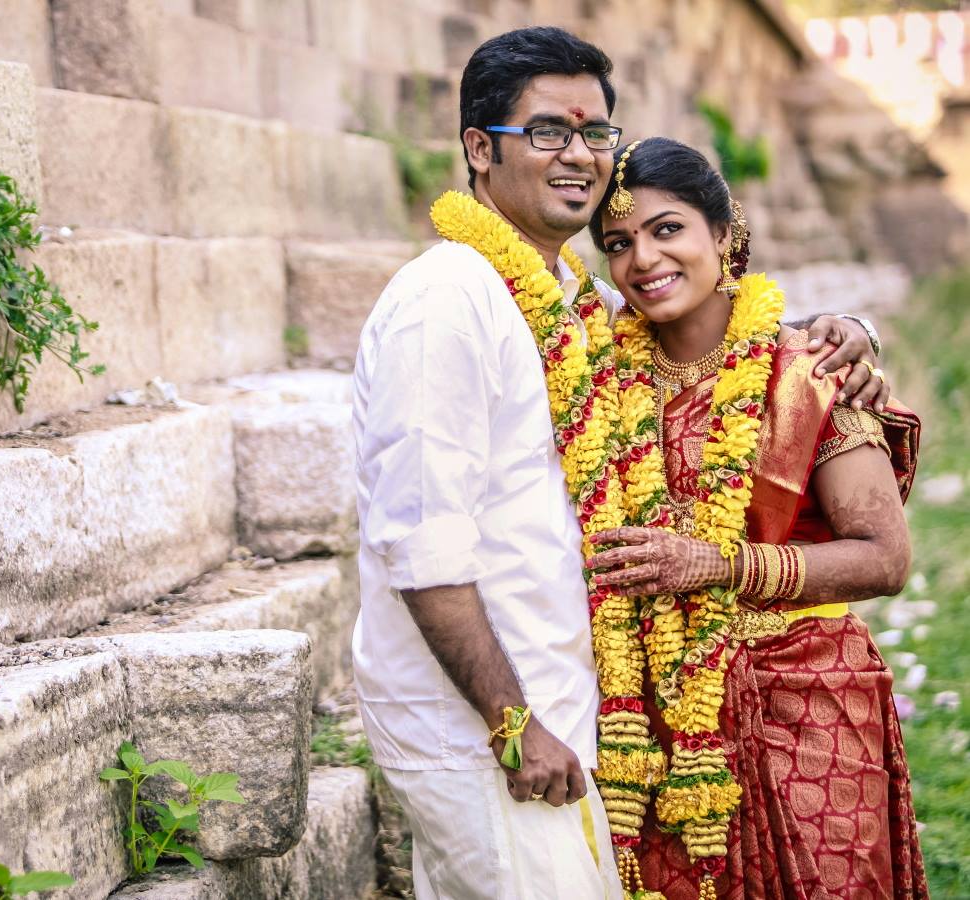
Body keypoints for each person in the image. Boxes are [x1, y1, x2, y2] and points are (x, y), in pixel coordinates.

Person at [350, 26, 888, 900]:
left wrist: (852, 333)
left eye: (595, 131)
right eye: (549, 131)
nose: (580, 154)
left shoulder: (578, 302)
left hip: (571, 706)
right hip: (485, 725)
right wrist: (510, 726)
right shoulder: (445, 303)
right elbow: (418, 544)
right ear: (480, 151)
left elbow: (707, 310)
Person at [584, 137, 926, 900]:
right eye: (618, 243)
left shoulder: (809, 373)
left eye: (666, 229)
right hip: (661, 709)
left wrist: (722, 566)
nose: (642, 259)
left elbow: (884, 558)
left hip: (810, 698)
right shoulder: (602, 376)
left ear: (723, 233)